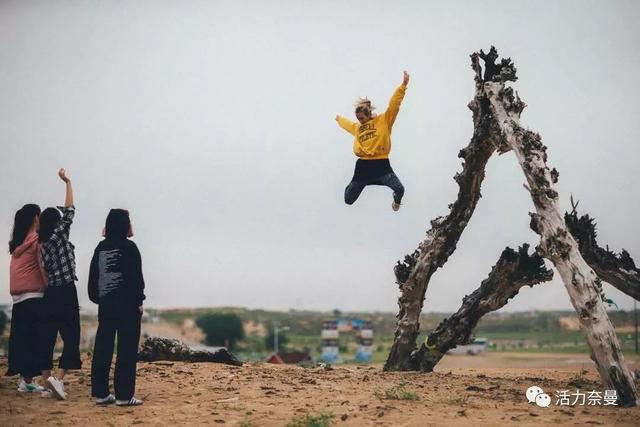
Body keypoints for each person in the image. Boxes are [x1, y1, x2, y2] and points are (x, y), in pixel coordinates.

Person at [88, 209, 145, 406]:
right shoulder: (130, 248)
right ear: (125, 225)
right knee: (126, 350)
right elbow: (136, 279)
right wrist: (139, 301)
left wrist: (99, 299)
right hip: (127, 306)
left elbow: (93, 278)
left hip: (106, 305)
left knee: (103, 348)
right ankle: (123, 395)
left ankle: (101, 394)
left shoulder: (100, 248)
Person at [335, 71, 410, 211]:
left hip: (381, 165)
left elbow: (393, 105)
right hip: (363, 167)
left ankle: (396, 201)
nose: (359, 121)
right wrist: (339, 119)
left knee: (400, 189)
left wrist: (403, 86)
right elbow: (348, 124)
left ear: (369, 115)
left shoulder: (384, 120)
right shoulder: (358, 128)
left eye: (362, 118)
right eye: (357, 119)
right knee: (348, 200)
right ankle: (353, 183)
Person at [38, 168, 81, 399]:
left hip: (50, 292)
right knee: (72, 336)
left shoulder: (42, 242)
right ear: (56, 223)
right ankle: (58, 379)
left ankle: (46, 382)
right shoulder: (59, 235)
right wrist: (68, 183)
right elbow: (70, 210)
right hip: (65, 290)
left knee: (48, 337)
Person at [6, 204, 51, 395]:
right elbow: (42, 267)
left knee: (22, 339)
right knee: (36, 340)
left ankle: (25, 381)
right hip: (34, 296)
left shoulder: (18, 242)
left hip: (18, 298)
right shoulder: (35, 240)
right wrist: (49, 286)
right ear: (36, 219)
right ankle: (30, 380)